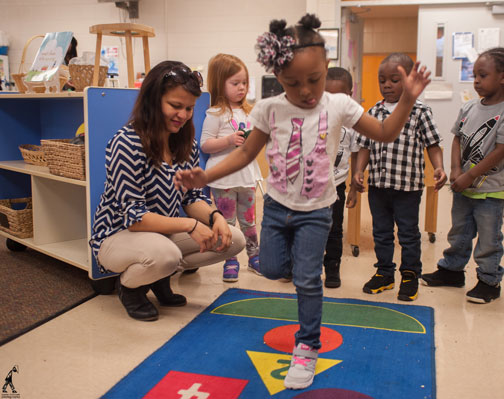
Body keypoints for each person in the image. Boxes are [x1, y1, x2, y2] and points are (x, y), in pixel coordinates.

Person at [174, 14, 431, 390]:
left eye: (315, 80)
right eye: (294, 83)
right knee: (275, 267)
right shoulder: (268, 109)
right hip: (277, 208)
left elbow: (386, 132)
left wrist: (407, 98)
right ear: (279, 78)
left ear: (326, 69)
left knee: (308, 280)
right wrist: (206, 176)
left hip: (316, 211)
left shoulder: (340, 105)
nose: (307, 91)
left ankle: (307, 345)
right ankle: (297, 266)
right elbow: (245, 154)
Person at [89, 60, 246, 322]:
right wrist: (190, 226)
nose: (183, 115)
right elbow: (136, 218)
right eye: (175, 106)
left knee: (233, 238)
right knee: (167, 254)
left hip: (162, 234)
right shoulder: (126, 143)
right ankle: (129, 286)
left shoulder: (185, 144)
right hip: (117, 236)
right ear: (153, 100)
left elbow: (192, 197)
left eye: (189, 108)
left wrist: (215, 217)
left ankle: (159, 277)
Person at [421, 47, 504, 303]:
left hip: (490, 190)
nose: (476, 80)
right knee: (460, 232)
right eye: (474, 75)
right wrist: (456, 169)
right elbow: (456, 138)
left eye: (483, 75)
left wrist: (470, 175)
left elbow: (500, 151)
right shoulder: (468, 108)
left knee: (489, 239)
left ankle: (489, 281)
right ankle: (452, 271)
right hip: (463, 187)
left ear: (503, 77)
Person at [354, 53, 446, 302]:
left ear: (409, 80)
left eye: (394, 79)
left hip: (408, 187)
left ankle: (410, 275)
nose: (387, 85)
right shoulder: (373, 111)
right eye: (382, 80)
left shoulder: (420, 112)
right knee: (381, 232)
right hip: (379, 186)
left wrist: (439, 167)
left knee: (408, 233)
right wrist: (358, 171)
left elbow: (433, 144)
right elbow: (364, 146)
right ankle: (384, 273)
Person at [200, 54, 261, 282]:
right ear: (220, 83)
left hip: (246, 177)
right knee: (227, 224)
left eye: (244, 83)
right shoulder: (215, 114)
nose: (241, 88)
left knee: (249, 222)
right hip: (223, 179)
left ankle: (255, 257)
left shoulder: (249, 111)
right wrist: (228, 141)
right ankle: (230, 261)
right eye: (235, 83)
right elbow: (205, 144)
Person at [322, 66, 359, 288]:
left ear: (350, 94)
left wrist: (354, 185)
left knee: (334, 229)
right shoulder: (317, 116)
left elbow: (356, 155)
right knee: (309, 227)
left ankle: (332, 267)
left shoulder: (355, 122)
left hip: (336, 186)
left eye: (340, 96)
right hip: (313, 186)